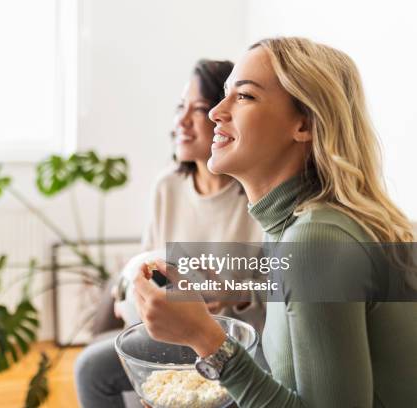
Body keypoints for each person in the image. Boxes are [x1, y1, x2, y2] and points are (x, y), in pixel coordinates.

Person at [135, 37, 417, 407]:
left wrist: (205, 337)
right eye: (224, 95)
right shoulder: (293, 228)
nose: (216, 112)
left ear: (304, 124)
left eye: (245, 96)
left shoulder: (316, 240)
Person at [73, 60, 264, 408]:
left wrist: (232, 296)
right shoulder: (168, 187)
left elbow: (275, 307)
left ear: (226, 117)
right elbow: (146, 264)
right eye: (181, 108)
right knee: (89, 369)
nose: (182, 121)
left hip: (234, 343)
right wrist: (132, 292)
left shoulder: (255, 196)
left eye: (200, 109)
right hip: (172, 333)